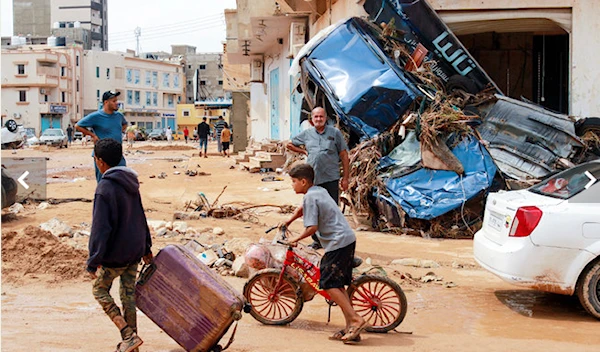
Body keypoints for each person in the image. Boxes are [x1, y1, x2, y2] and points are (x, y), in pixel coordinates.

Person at [282, 163, 367, 344]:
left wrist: (295, 239)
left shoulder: (310, 198)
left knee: (327, 283)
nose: (292, 185)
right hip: (346, 239)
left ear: (303, 182)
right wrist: (288, 221)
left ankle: (356, 319)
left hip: (338, 243)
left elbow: (312, 227)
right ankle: (350, 327)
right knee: (337, 285)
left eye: (294, 181)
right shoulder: (318, 191)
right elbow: (301, 210)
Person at [86, 138, 153, 352]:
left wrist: (93, 260)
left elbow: (100, 229)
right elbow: (140, 216)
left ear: (100, 161)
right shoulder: (131, 182)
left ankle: (126, 333)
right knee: (128, 296)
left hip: (115, 255)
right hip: (134, 251)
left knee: (99, 290)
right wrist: (146, 248)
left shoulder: (104, 188)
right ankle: (132, 345)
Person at [286, 107, 350, 249]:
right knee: (312, 210)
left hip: (331, 178)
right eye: (316, 117)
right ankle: (317, 241)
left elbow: (344, 156)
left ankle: (334, 240)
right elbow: (289, 144)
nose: (319, 119)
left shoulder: (335, 133)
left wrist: (345, 178)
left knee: (331, 210)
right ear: (312, 119)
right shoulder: (307, 134)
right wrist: (303, 151)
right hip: (312, 180)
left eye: (321, 117)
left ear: (325, 118)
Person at [76, 91, 128, 183]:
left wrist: (118, 132)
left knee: (122, 179)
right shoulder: (96, 116)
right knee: (104, 181)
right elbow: (78, 126)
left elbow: (124, 124)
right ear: (106, 102)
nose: (117, 103)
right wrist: (93, 136)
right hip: (102, 155)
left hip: (118, 154)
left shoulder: (119, 116)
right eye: (114, 101)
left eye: (117, 101)